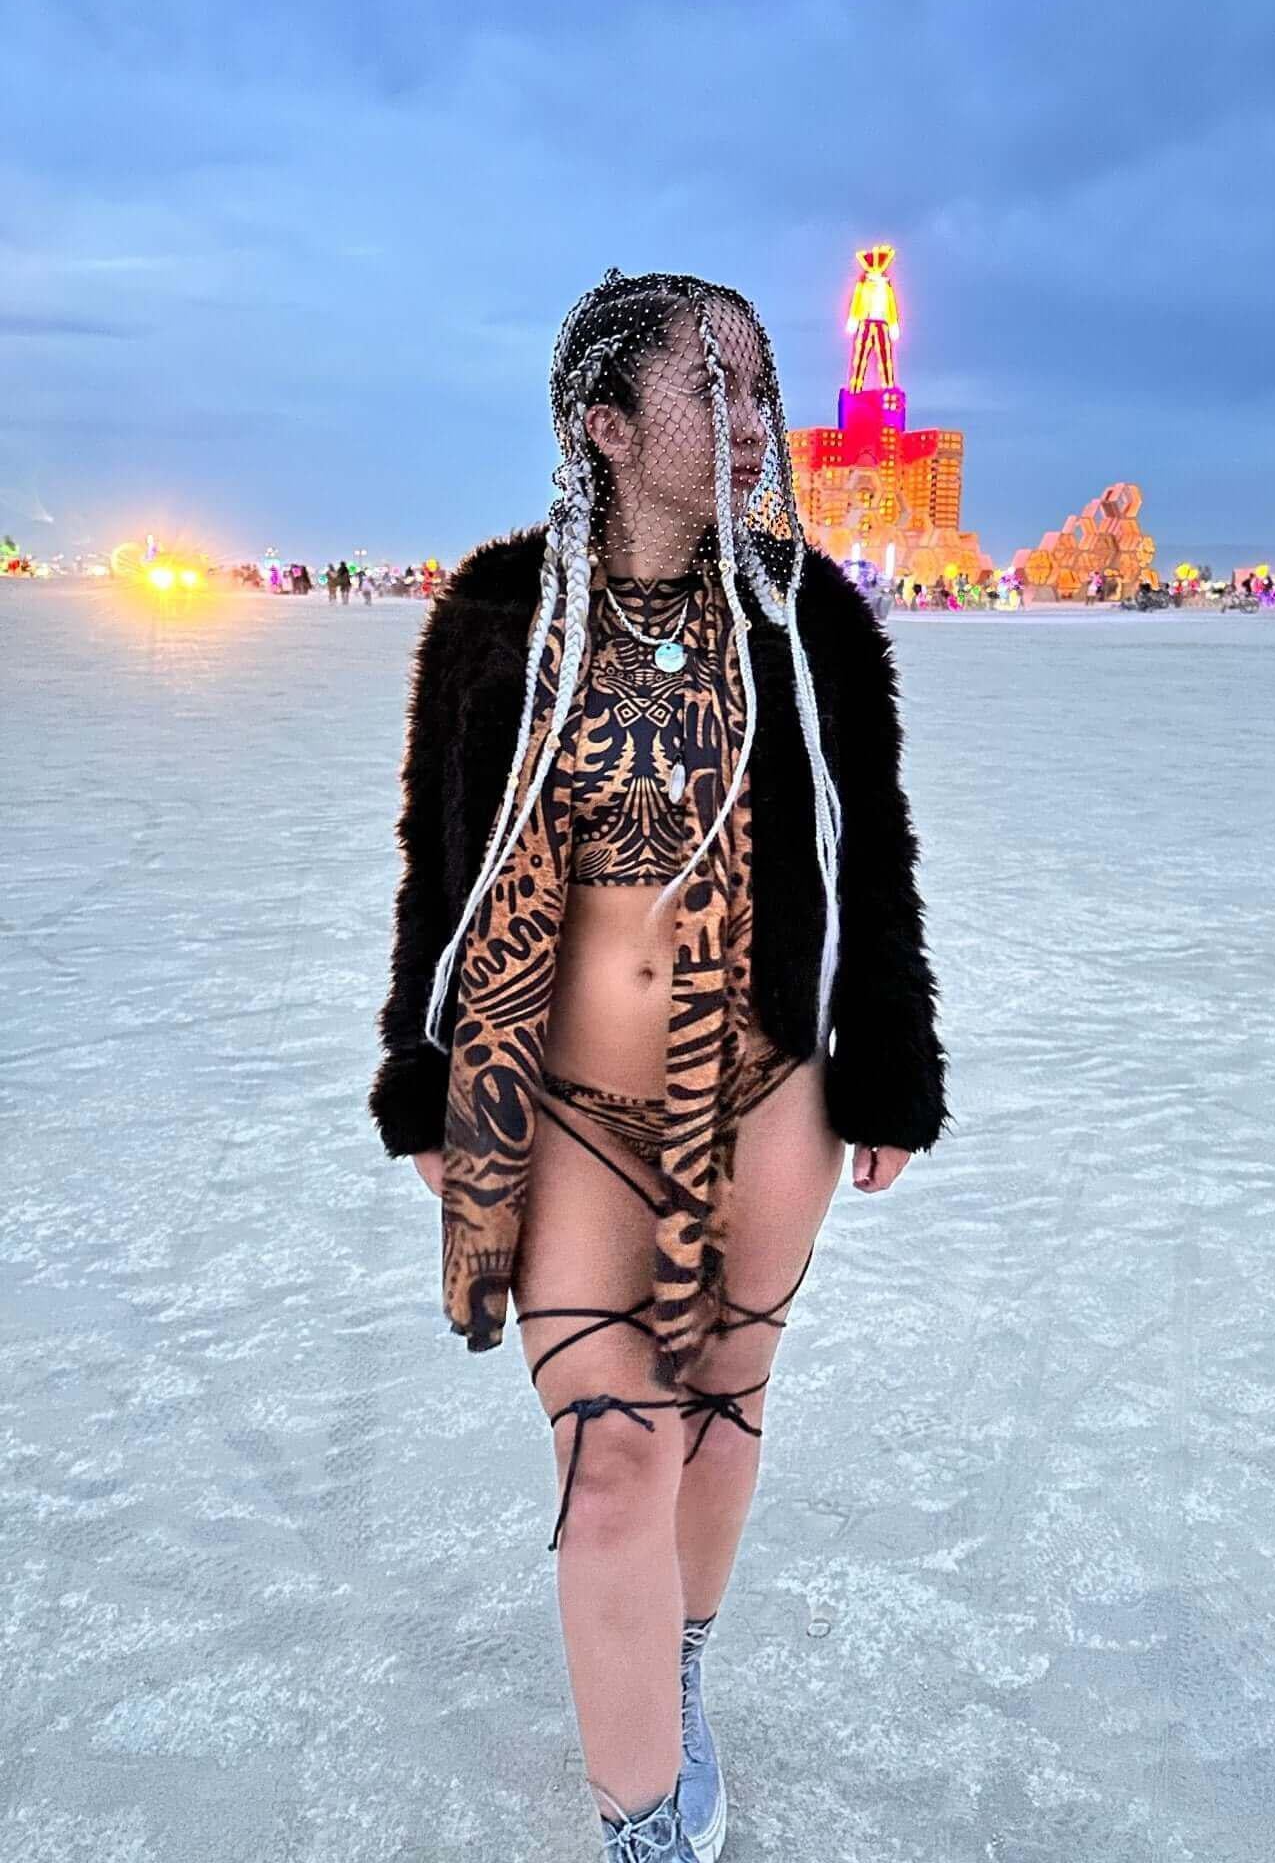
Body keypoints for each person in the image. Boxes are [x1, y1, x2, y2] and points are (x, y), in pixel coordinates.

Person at [367, 267, 950, 1861]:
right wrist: (424, 1078)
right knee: (614, 1463)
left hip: (770, 1092)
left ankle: (671, 1661)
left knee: (724, 1403)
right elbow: (442, 864)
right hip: (568, 1114)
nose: (755, 424)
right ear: (607, 426)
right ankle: (640, 1825)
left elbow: (869, 857)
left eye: (762, 391)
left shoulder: (806, 612)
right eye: (717, 392)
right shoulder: (498, 616)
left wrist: (890, 1068)